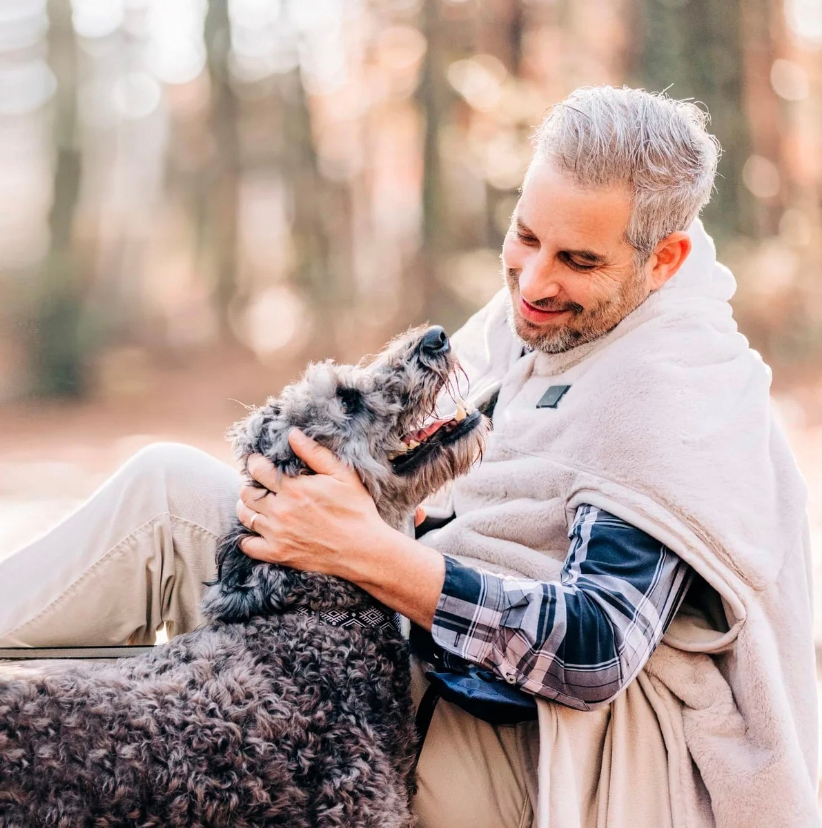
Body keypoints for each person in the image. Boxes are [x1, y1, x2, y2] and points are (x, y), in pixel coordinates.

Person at [0, 86, 817, 828]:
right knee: (167, 491)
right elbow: (433, 446)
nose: (533, 282)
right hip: (424, 647)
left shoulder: (673, 390)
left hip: (540, 747)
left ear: (663, 260)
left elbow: (592, 652)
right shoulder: (554, 311)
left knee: (194, 693)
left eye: (577, 260)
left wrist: (366, 550)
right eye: (525, 236)